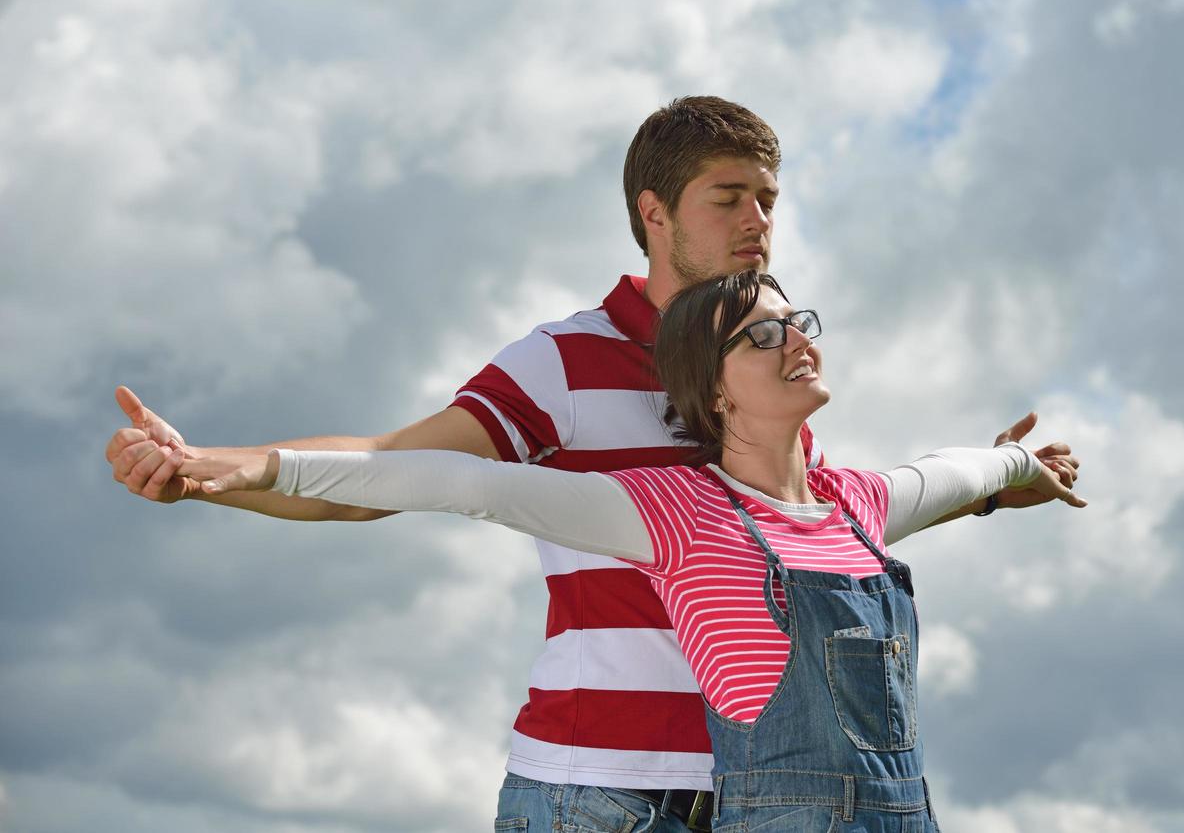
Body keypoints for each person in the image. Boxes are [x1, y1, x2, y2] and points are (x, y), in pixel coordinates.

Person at [105, 96, 1080, 831]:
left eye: (768, 200)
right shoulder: (564, 360)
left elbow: (836, 521)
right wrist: (215, 468)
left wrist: (1004, 477)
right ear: (653, 211)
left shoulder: (767, 362)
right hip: (601, 787)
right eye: (727, 196)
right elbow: (404, 468)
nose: (756, 221)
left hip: (763, 795)